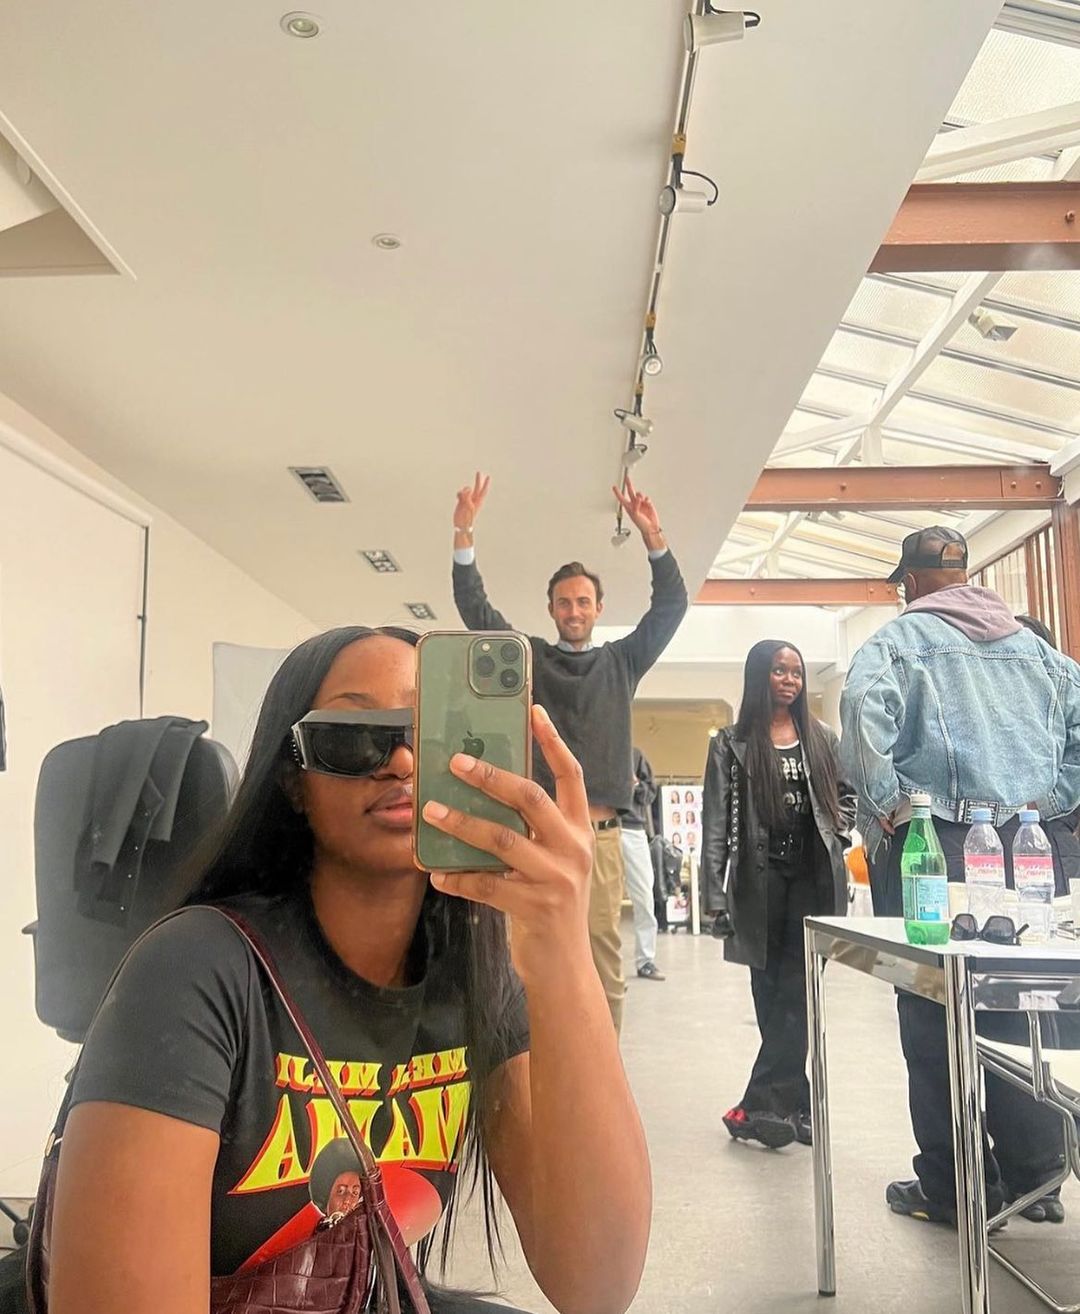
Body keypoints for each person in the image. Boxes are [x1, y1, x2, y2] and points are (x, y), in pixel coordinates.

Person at [40, 627, 651, 1314]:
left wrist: (562, 949)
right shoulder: (195, 968)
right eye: (355, 737)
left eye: (429, 735)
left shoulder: (476, 976)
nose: (401, 760)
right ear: (292, 779)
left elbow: (596, 1285)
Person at [840, 527, 1080, 1226]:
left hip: (937, 843)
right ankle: (1039, 1175)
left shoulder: (897, 643)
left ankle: (954, 1186)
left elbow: (860, 713)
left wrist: (889, 806)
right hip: (1030, 848)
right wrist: (1052, 801)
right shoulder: (1039, 653)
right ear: (966, 574)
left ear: (911, 583)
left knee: (934, 1013)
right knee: (1027, 1001)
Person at [452, 473, 688, 1031]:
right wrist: (464, 533)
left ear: (598, 607)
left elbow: (671, 605)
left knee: (602, 962)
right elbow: (476, 609)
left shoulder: (621, 662)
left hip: (598, 840)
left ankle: (601, 1066)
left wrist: (653, 536)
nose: (574, 610)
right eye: (565, 602)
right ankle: (527, 1064)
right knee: (526, 957)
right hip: (536, 834)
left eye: (583, 601)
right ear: (552, 609)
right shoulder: (529, 658)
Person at [702, 640, 854, 1150]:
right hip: (759, 879)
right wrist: (714, 897)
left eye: (796, 672)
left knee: (797, 988)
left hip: (812, 878)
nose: (789, 680)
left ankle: (758, 1107)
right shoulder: (732, 743)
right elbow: (716, 823)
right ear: (758, 676)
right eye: (778, 670)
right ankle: (797, 1106)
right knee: (770, 995)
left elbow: (847, 795)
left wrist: (838, 831)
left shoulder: (822, 737)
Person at [620, 747, 665, 982]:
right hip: (599, 827)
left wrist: (635, 785)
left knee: (644, 896)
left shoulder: (635, 755)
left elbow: (649, 794)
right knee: (596, 902)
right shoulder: (597, 750)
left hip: (633, 830)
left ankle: (646, 960)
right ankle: (599, 966)